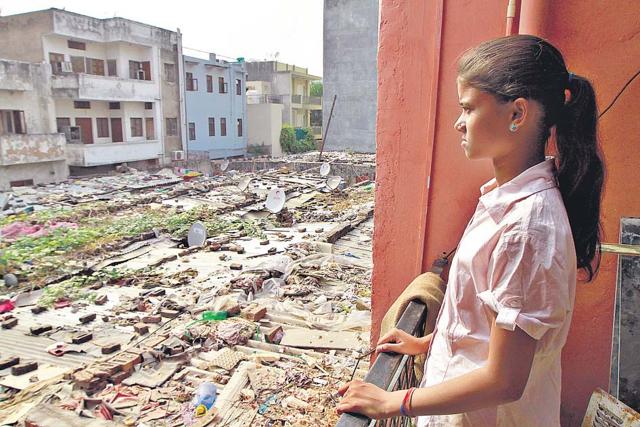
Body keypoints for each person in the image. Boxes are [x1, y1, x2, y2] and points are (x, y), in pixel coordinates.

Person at [336, 35, 604, 426]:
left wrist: (391, 403)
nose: (459, 122)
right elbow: (491, 331)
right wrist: (431, 342)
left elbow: (505, 380)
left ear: (517, 114)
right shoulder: (505, 201)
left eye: (468, 108)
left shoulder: (526, 227)